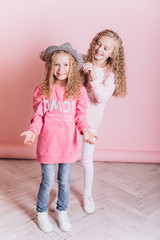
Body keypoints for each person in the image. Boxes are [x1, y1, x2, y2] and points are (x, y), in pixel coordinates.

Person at [20, 42, 97, 233]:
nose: (60, 69)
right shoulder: (42, 90)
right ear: (49, 67)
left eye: (65, 65)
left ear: (72, 67)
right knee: (47, 182)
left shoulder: (78, 91)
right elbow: (38, 116)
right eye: (56, 64)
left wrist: (86, 130)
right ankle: (41, 213)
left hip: (68, 146)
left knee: (64, 182)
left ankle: (62, 211)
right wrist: (32, 130)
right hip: (48, 145)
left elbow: (80, 117)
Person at [80, 29, 127, 214]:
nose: (99, 49)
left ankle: (87, 195)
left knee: (86, 159)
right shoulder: (83, 61)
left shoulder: (110, 74)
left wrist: (92, 75)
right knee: (64, 158)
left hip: (91, 121)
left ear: (112, 54)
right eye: (98, 43)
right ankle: (61, 194)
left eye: (106, 48)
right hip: (71, 118)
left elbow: (99, 98)